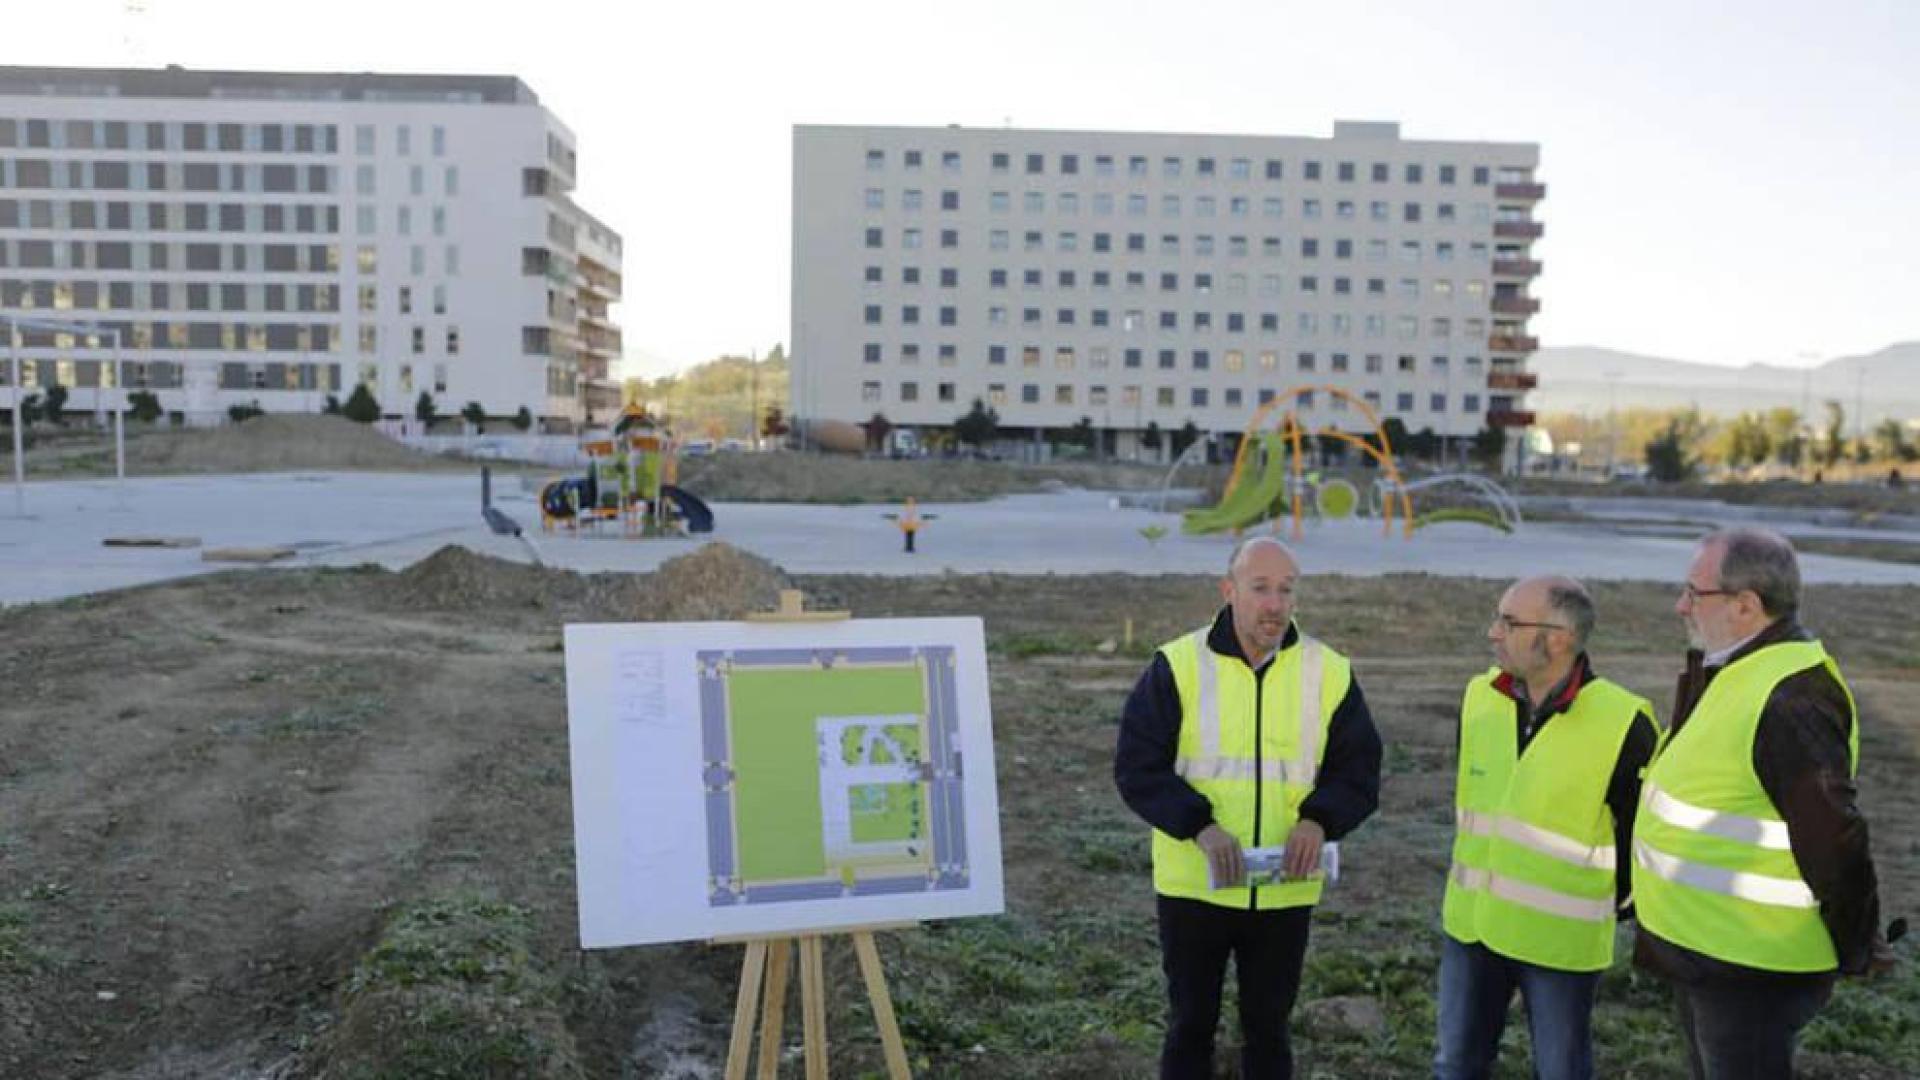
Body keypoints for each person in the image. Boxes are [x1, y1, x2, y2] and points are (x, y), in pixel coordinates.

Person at [1114, 536, 1382, 1079]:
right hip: (1196, 886)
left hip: (1284, 888)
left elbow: (1359, 770)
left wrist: (1319, 819)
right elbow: (1138, 767)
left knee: (1269, 1028)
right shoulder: (1178, 665)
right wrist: (1199, 827)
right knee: (1191, 1025)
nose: (1275, 604)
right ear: (1229, 590)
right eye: (1260, 588)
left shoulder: (1328, 670)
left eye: (1286, 590)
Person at [1633, 527, 1891, 1079]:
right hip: (1709, 951)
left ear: (1746, 605)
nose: (1680, 605)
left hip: (1750, 967)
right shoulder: (1736, 669)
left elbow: (1835, 841)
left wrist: (1857, 946)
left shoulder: (1792, 697)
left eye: (1694, 592)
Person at [1435, 576, 1658, 1080]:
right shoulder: (1479, 698)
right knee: (1455, 1065)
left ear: (1558, 639)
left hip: (1560, 943)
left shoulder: (1624, 722)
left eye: (1509, 622)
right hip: (1472, 927)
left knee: (1561, 1070)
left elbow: (1640, 837)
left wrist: (1613, 902)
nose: (1493, 633)